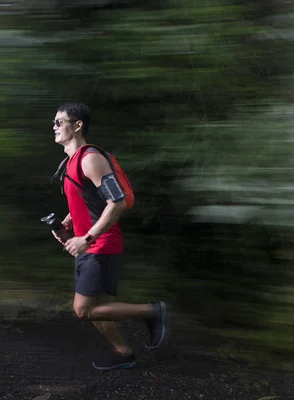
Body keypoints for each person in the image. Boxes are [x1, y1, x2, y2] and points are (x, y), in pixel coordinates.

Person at [51, 102, 169, 370]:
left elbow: (116, 202)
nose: (54, 127)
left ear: (78, 125)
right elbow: (86, 200)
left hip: (100, 245)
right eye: (54, 123)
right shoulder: (70, 162)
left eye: (60, 122)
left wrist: (86, 238)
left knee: (83, 309)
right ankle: (123, 352)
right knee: (92, 305)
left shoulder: (90, 158)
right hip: (86, 246)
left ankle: (153, 312)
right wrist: (68, 225)